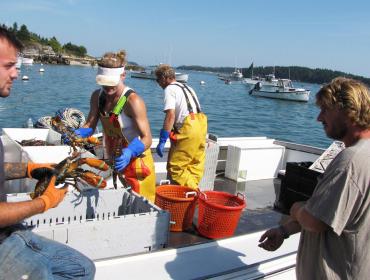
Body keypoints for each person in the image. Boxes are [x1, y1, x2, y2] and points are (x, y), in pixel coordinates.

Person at [0, 27, 95, 279]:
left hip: (9, 231)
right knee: (40, 271)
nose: (16, 74)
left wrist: (28, 169)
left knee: (82, 269)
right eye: (9, 65)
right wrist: (43, 203)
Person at [258, 77, 370, 279]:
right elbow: (334, 214)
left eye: (325, 110)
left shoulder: (350, 160)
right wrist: (284, 230)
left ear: (348, 110)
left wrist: (296, 208)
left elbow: (315, 221)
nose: (319, 118)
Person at [75, 50, 156, 202]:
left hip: (137, 164)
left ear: (123, 76)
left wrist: (129, 152)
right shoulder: (97, 97)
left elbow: (147, 138)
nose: (107, 87)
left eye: (111, 82)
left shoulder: (133, 101)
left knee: (139, 207)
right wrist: (78, 134)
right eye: (103, 83)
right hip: (114, 160)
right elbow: (90, 125)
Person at [154, 64, 207, 190]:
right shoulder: (188, 87)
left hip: (188, 129)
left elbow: (170, 115)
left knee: (176, 168)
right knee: (194, 164)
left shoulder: (169, 89)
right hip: (201, 126)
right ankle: (192, 194)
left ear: (164, 78)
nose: (158, 84)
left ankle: (192, 194)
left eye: (157, 80)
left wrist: (162, 139)